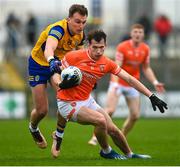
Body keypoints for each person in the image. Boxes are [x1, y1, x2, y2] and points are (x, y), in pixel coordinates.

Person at [51, 29, 167, 159]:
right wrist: (60, 83)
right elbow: (55, 73)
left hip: (86, 100)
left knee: (113, 130)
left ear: (105, 46)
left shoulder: (107, 63)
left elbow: (129, 79)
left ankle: (130, 155)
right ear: (89, 45)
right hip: (67, 103)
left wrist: (151, 95)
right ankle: (106, 151)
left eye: (102, 47)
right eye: (95, 47)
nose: (99, 51)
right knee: (101, 121)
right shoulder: (74, 56)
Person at [88, 24, 165, 145]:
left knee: (135, 115)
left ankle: (121, 136)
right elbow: (116, 67)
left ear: (143, 35)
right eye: (135, 32)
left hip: (132, 84)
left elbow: (146, 68)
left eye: (140, 32)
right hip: (118, 82)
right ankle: (95, 137)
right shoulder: (122, 47)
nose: (137, 34)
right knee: (110, 110)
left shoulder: (145, 49)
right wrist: (115, 84)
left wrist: (155, 82)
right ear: (131, 34)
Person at [28, 4, 88, 149]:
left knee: (65, 100)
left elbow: (80, 56)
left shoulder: (80, 35)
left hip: (58, 65)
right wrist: (51, 60)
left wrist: (86, 73)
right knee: (42, 110)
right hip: (39, 64)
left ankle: (58, 134)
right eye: (77, 21)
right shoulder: (58, 29)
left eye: (84, 22)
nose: (81, 26)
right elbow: (49, 48)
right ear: (68, 19)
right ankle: (33, 128)